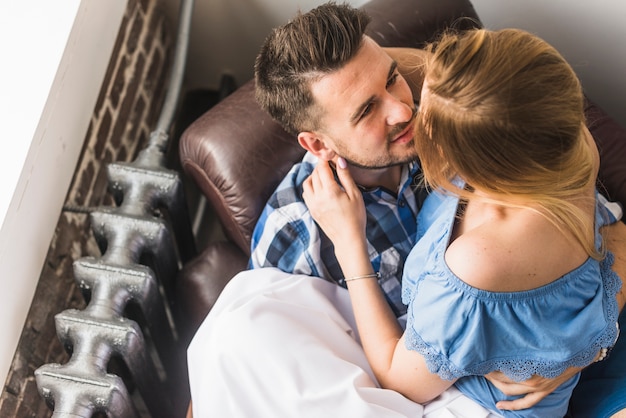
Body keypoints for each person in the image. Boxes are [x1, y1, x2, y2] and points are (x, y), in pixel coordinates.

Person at [187, 3, 626, 417]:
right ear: (317, 144)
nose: (403, 109)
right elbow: (252, 385)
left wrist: (572, 348)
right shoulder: (295, 238)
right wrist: (348, 242)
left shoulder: (462, 126)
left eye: (393, 78)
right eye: (366, 110)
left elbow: (605, 230)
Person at [301, 27, 621, 417]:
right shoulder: (568, 142)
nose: (407, 111)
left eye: (423, 108)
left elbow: (399, 380)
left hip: (479, 406)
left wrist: (349, 243)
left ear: (469, 157)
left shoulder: (479, 260)